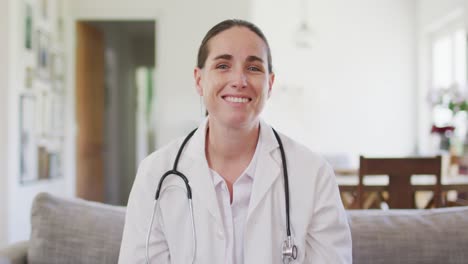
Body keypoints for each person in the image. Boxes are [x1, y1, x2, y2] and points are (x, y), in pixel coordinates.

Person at [118, 19, 352, 264]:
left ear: (270, 84)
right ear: (199, 80)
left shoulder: (314, 175)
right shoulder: (154, 173)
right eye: (222, 65)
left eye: (253, 68)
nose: (239, 80)